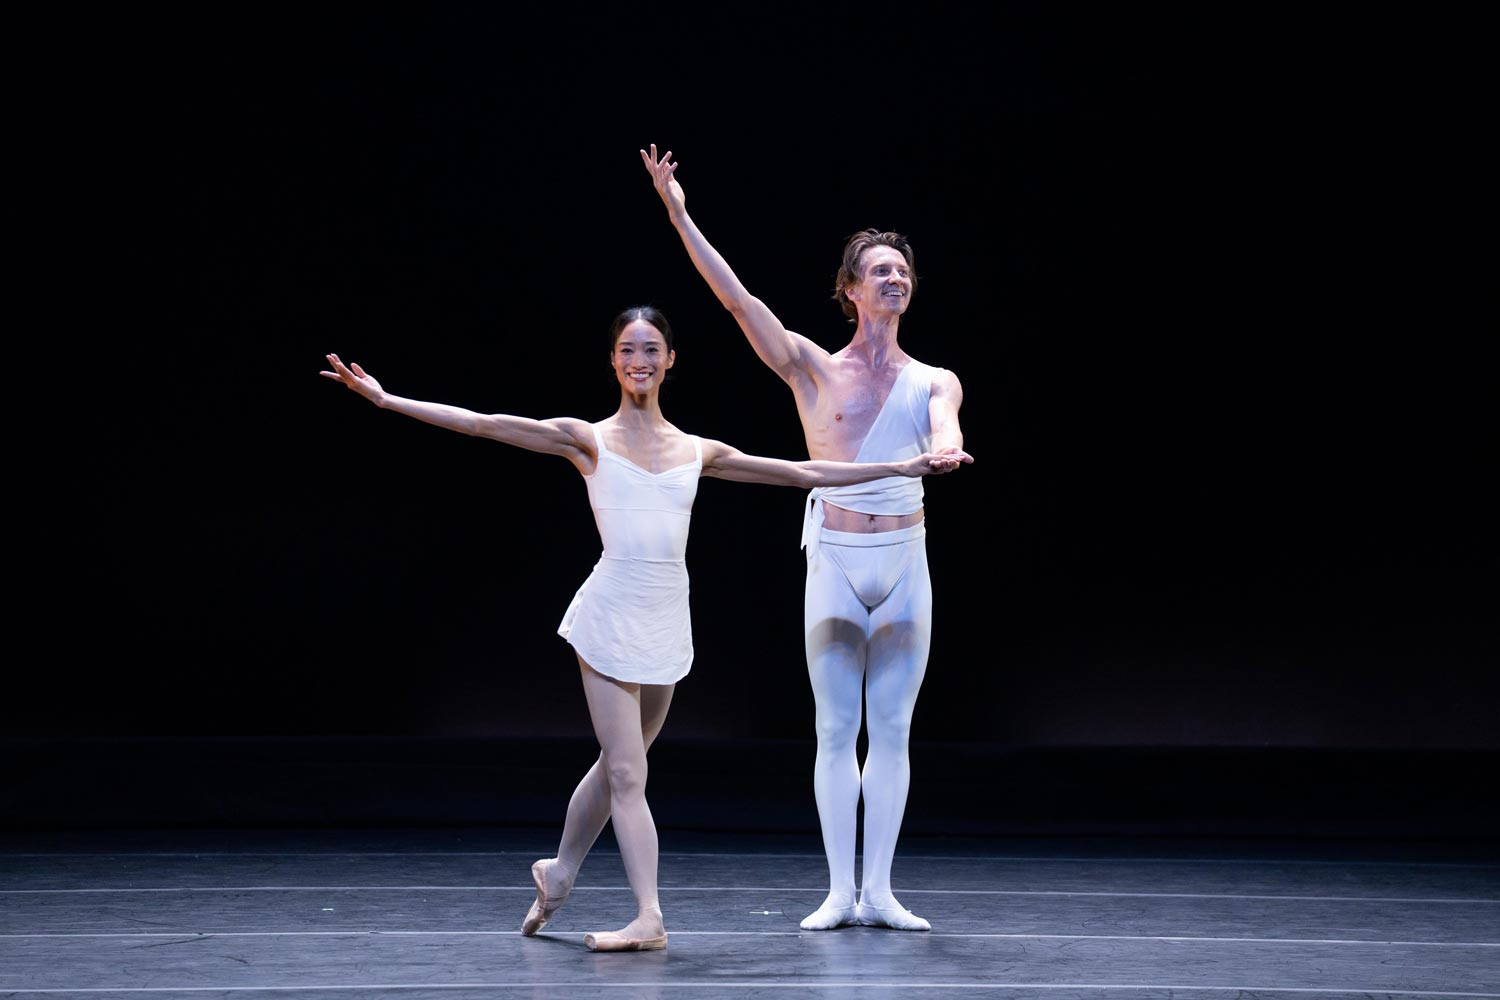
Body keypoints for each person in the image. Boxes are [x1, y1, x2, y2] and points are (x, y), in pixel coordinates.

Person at [320, 306, 969, 953]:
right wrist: (387, 400)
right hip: (609, 617)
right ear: (612, 361)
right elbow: (484, 423)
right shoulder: (586, 439)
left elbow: (801, 473)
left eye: (652, 349)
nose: (640, 360)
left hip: (665, 621)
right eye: (628, 349)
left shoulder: (696, 450)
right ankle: (649, 918)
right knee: (630, 776)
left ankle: (560, 870)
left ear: (670, 361)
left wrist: (898, 469)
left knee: (616, 766)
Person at [642, 145, 970, 932]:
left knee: (892, 730)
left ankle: (879, 892)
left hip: (904, 562)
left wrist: (947, 447)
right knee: (834, 728)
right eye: (880, 271)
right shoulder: (813, 370)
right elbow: (736, 300)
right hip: (835, 561)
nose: (894, 279)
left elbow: (945, 423)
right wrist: (679, 212)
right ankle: (837, 891)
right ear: (850, 289)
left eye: (903, 271)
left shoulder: (935, 379)